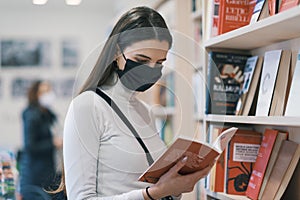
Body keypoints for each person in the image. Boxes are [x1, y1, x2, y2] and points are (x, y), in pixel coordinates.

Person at [61, 6, 213, 200]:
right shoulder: (87, 107)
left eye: (159, 63)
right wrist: (154, 193)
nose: (151, 69)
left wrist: (175, 188)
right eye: (141, 60)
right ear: (117, 52)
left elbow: (150, 186)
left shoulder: (145, 111)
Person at [19, 80, 62, 200]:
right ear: (35, 94)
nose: (48, 94)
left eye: (49, 90)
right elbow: (30, 146)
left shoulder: (50, 115)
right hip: (35, 177)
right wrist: (53, 143)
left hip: (49, 174)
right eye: (44, 91)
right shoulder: (31, 115)